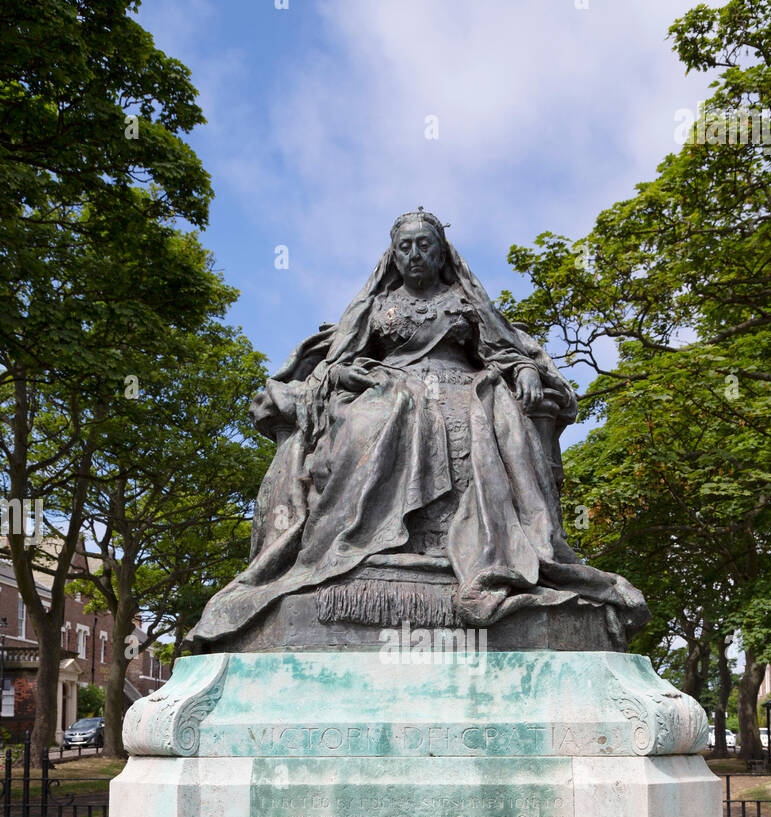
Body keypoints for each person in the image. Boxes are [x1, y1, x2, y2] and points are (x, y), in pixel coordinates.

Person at [190, 209, 647, 646]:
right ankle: (359, 541)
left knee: (495, 418)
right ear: (393, 255)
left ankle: (496, 547)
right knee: (376, 417)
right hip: (387, 387)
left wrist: (525, 371)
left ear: (440, 253)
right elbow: (333, 366)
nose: (414, 254)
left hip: (465, 386)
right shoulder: (375, 307)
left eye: (424, 246)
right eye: (405, 247)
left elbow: (503, 351)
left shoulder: (465, 304)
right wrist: (343, 376)